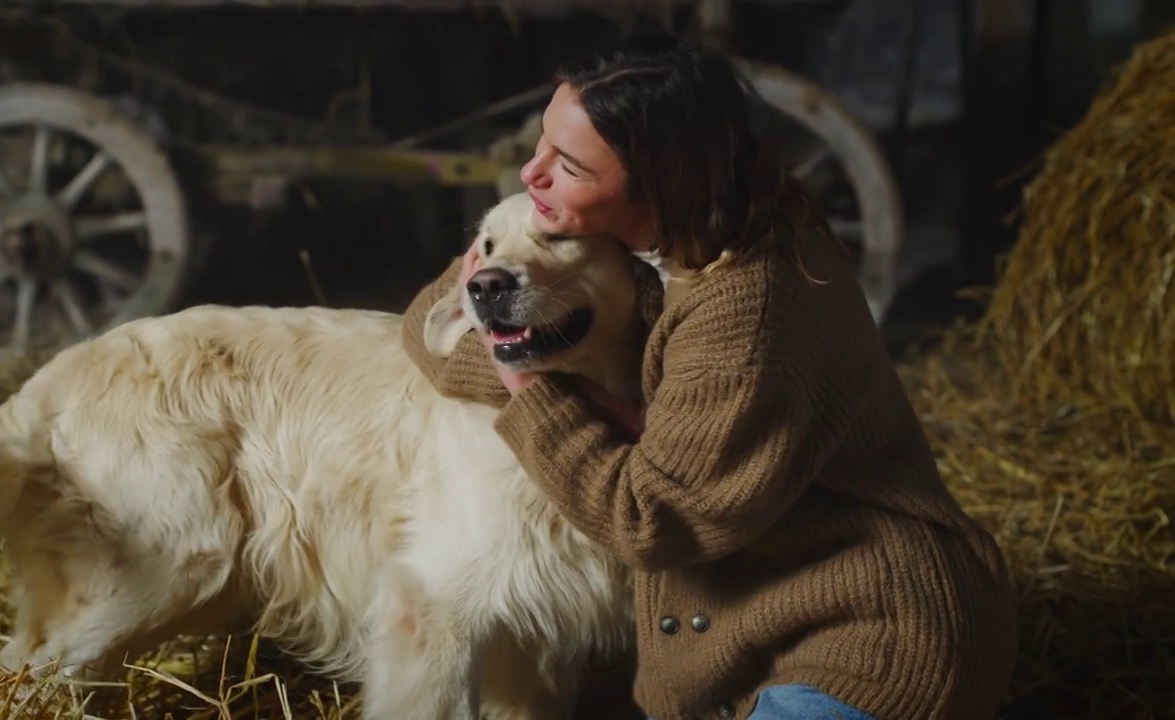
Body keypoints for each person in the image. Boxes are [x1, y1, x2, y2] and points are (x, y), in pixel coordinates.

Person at [400, 33, 1019, 720]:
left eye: (567, 164)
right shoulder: (681, 238)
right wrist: (517, 347)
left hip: (867, 648)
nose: (530, 173)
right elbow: (426, 321)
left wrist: (526, 382)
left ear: (656, 180)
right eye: (543, 142)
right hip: (765, 636)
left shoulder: (745, 314)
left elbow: (648, 520)